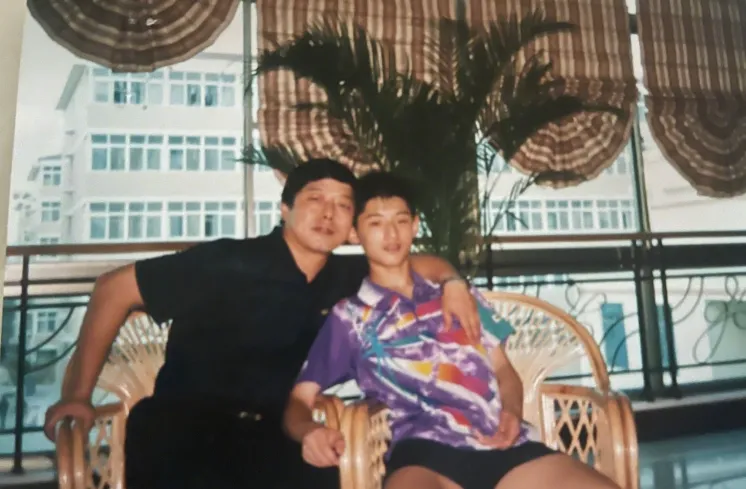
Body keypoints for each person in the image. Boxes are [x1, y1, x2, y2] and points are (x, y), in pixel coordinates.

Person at [43, 159, 480, 489]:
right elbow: (113, 289)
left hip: (274, 435)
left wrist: (454, 283)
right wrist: (77, 395)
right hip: (185, 428)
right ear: (285, 209)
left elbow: (422, 263)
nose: (328, 213)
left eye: (343, 206)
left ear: (351, 227)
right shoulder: (229, 260)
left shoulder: (344, 278)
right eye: (315, 200)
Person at [285, 172, 621, 489]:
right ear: (355, 233)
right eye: (376, 223)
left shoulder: (461, 296)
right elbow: (299, 400)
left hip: (505, 448)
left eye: (401, 221)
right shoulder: (351, 317)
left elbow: (504, 370)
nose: (391, 235)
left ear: (415, 225)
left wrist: (512, 413)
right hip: (422, 455)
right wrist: (308, 431)